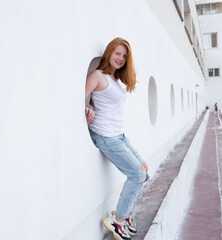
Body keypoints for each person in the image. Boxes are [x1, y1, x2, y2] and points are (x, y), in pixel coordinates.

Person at [85, 38, 149, 240]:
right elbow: (78, 99)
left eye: (124, 56)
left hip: (119, 135)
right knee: (136, 174)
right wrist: (86, 108)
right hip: (105, 136)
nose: (120, 58)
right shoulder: (97, 76)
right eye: (117, 53)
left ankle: (126, 215)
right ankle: (119, 222)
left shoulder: (114, 80)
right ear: (109, 52)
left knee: (144, 172)